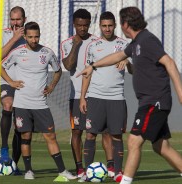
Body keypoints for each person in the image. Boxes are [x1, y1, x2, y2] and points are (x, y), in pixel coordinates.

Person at [77, 7, 182, 184]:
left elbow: (169, 62)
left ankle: (125, 181)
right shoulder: (136, 43)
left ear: (125, 24)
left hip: (154, 101)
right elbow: (117, 56)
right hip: (150, 102)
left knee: (133, 141)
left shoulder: (147, 40)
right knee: (161, 146)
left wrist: (180, 92)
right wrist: (93, 66)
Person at [1, 21, 77, 181]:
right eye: (30, 37)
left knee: (50, 136)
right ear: (25, 36)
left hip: (40, 105)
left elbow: (57, 71)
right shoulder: (17, 52)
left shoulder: (47, 53)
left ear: (39, 36)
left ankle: (62, 171)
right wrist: (11, 82)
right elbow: (1, 66)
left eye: (36, 37)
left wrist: (51, 86)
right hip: (21, 104)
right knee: (25, 136)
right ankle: (29, 171)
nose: (34, 40)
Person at [78, 11, 132, 182]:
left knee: (116, 136)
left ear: (115, 25)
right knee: (90, 135)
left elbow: (134, 71)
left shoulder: (125, 44)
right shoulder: (93, 46)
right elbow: (88, 73)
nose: (107, 29)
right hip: (95, 97)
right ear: (100, 26)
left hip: (116, 98)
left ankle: (118, 173)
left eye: (110, 26)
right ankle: (87, 172)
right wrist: (82, 97)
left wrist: (128, 62)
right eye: (104, 26)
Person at [60, 8, 114, 178]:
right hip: (76, 96)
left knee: (104, 131)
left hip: (97, 94)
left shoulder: (98, 42)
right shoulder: (67, 43)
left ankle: (111, 167)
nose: (82, 28)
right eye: (79, 25)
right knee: (77, 132)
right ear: (74, 25)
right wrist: (76, 45)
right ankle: (80, 169)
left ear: (89, 24)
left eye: (85, 25)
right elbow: (68, 66)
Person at [0, 6, 26, 174]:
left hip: (24, 85)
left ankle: (15, 164)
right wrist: (14, 39)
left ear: (24, 20)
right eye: (12, 19)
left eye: (18, 19)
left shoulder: (30, 35)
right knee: (7, 105)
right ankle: (4, 147)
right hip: (6, 81)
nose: (15, 23)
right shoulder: (3, 34)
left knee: (21, 125)